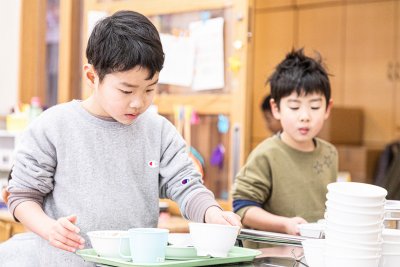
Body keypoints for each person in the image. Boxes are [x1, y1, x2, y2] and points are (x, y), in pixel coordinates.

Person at [0, 10, 241, 266]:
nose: (138, 102)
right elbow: (22, 196)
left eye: (150, 89)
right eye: (126, 90)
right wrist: (49, 228)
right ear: (92, 77)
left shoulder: (158, 131)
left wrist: (212, 214)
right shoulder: (54, 126)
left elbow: (186, 185)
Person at [232, 49, 338, 237]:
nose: (305, 116)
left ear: (327, 108)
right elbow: (243, 207)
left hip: (313, 253)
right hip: (272, 256)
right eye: (295, 107)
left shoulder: (330, 153)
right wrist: (284, 225)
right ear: (276, 108)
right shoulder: (267, 154)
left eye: (314, 107)